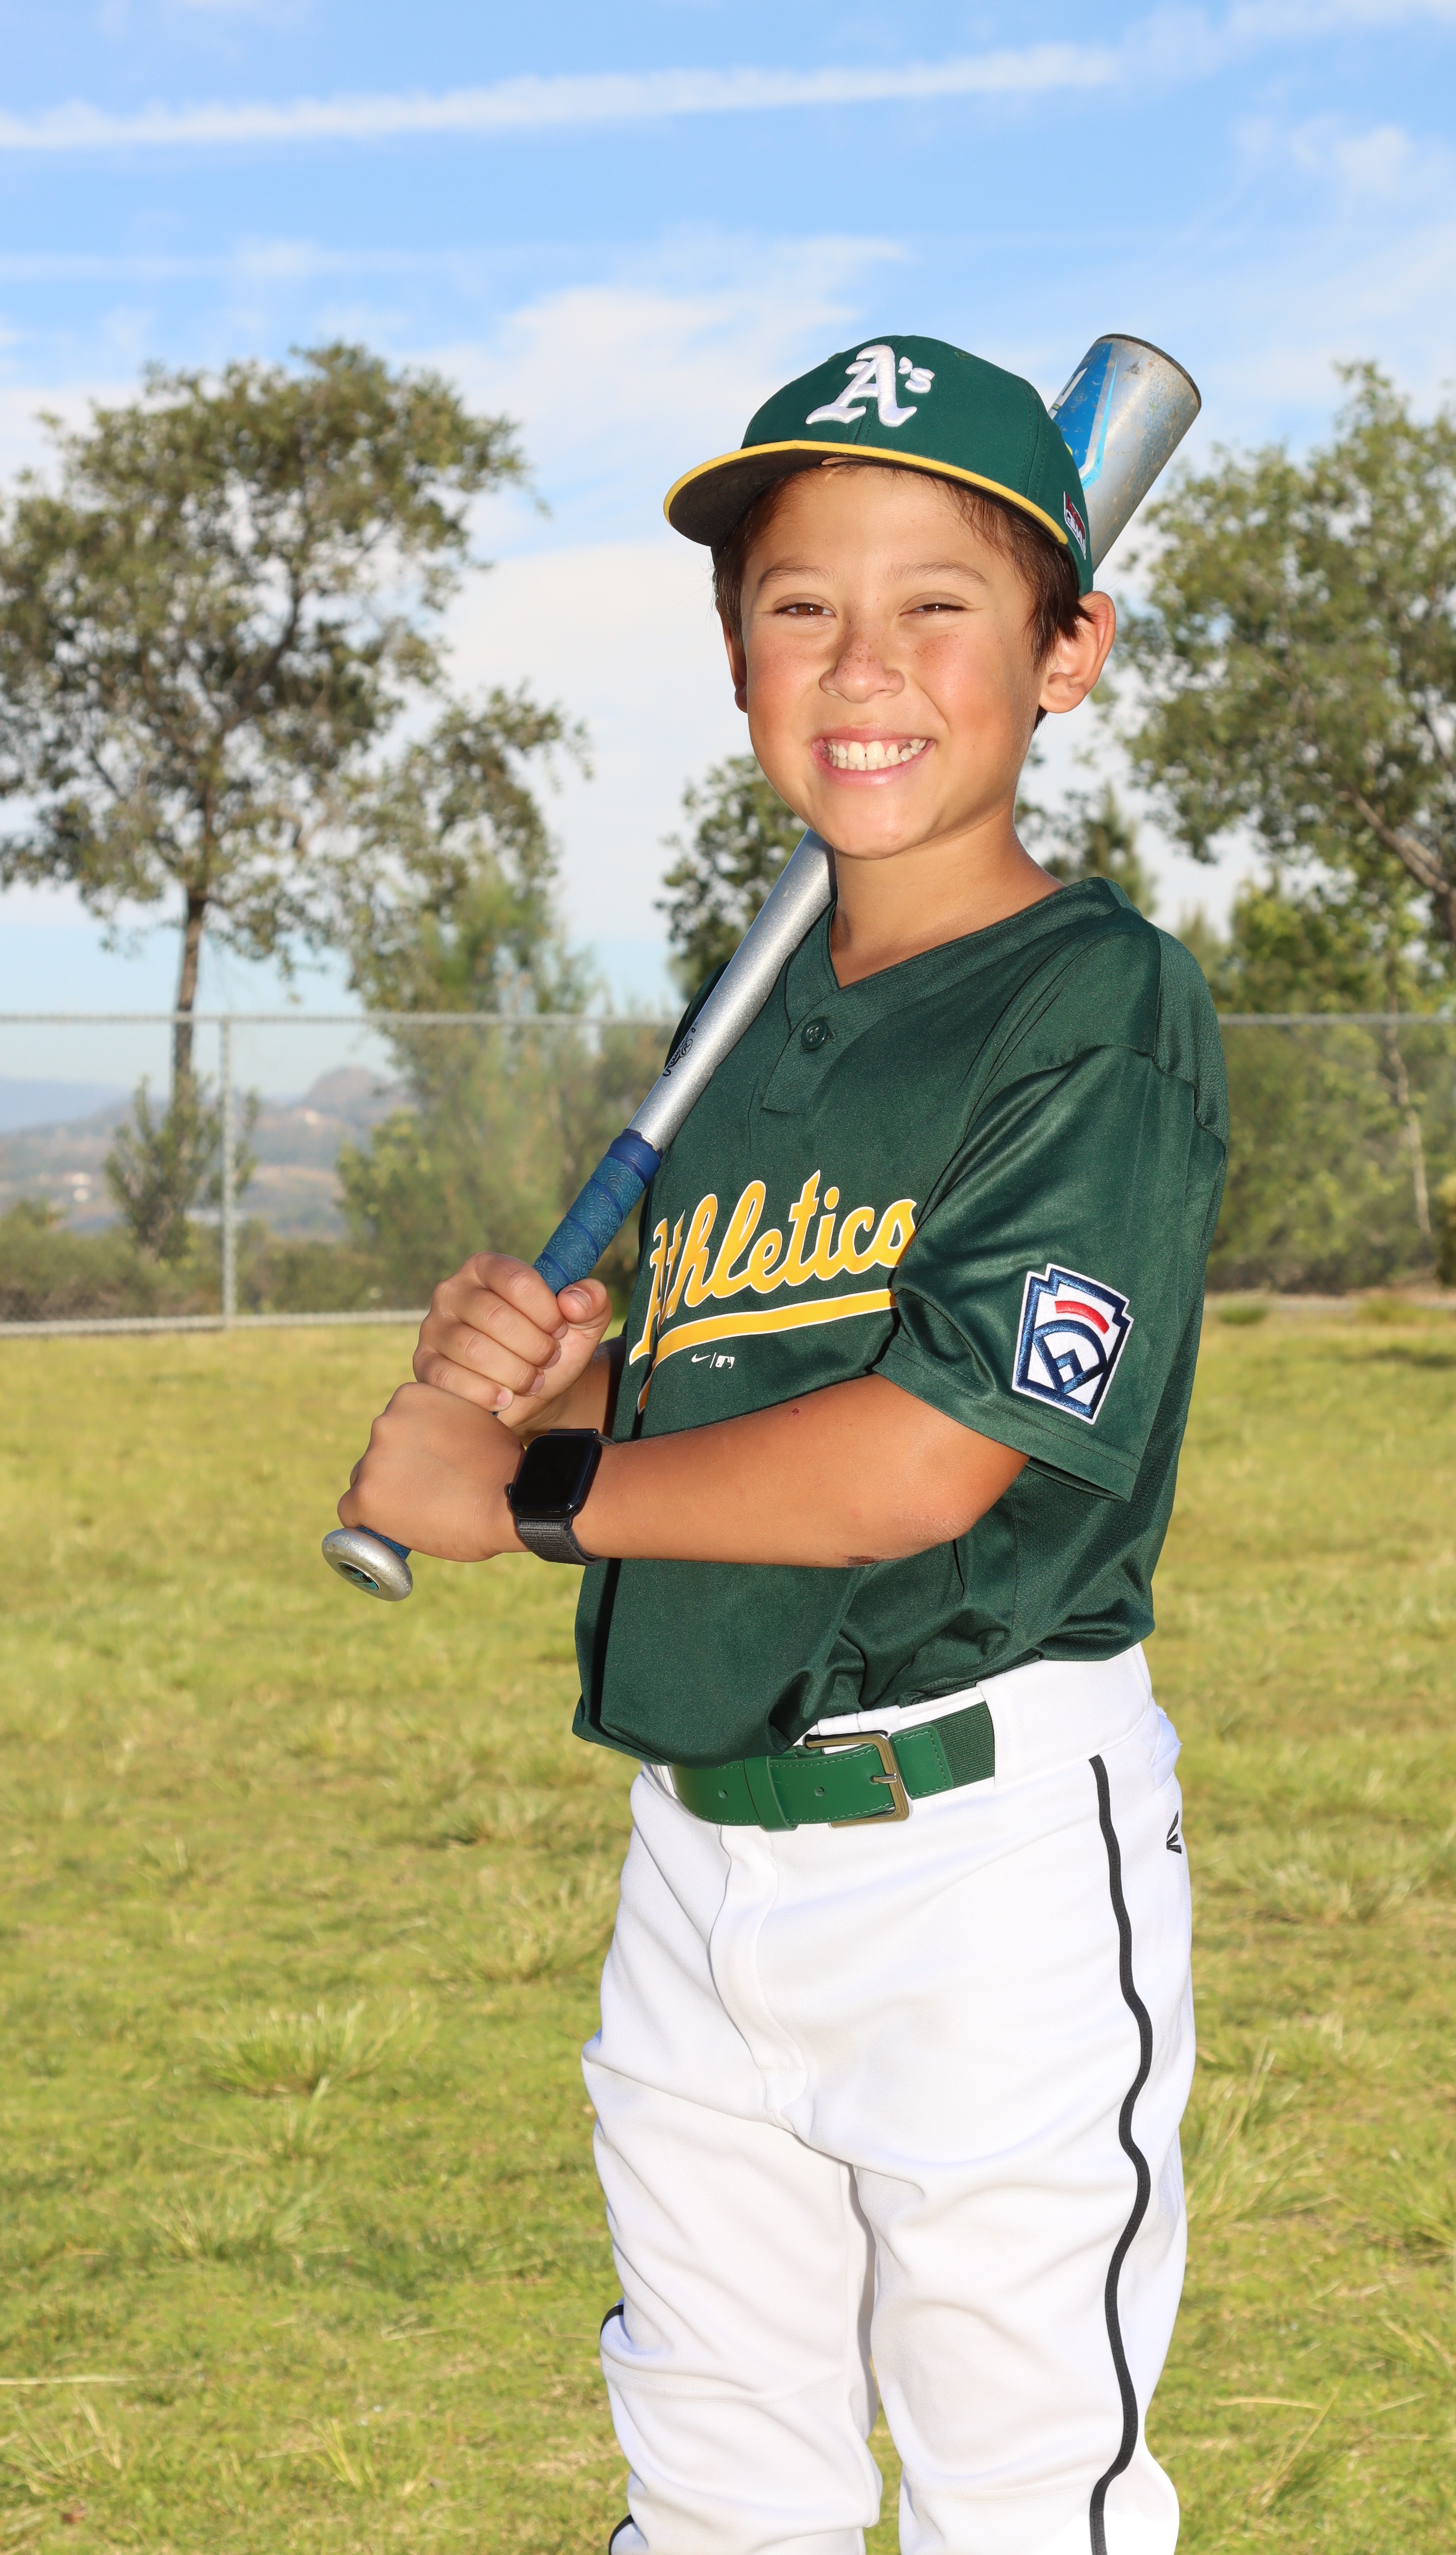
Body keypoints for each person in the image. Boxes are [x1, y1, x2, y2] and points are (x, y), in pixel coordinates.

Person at [337, 335, 1228, 2555]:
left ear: (1069, 653)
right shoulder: (745, 1034)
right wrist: (548, 1376)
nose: (863, 663)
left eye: (940, 604)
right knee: (715, 2483)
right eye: (799, 605)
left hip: (977, 1854)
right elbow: (724, 1386)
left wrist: (529, 1495)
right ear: (737, 660)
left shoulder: (1096, 1004)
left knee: (1020, 2497)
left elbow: (922, 1459)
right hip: (701, 1845)